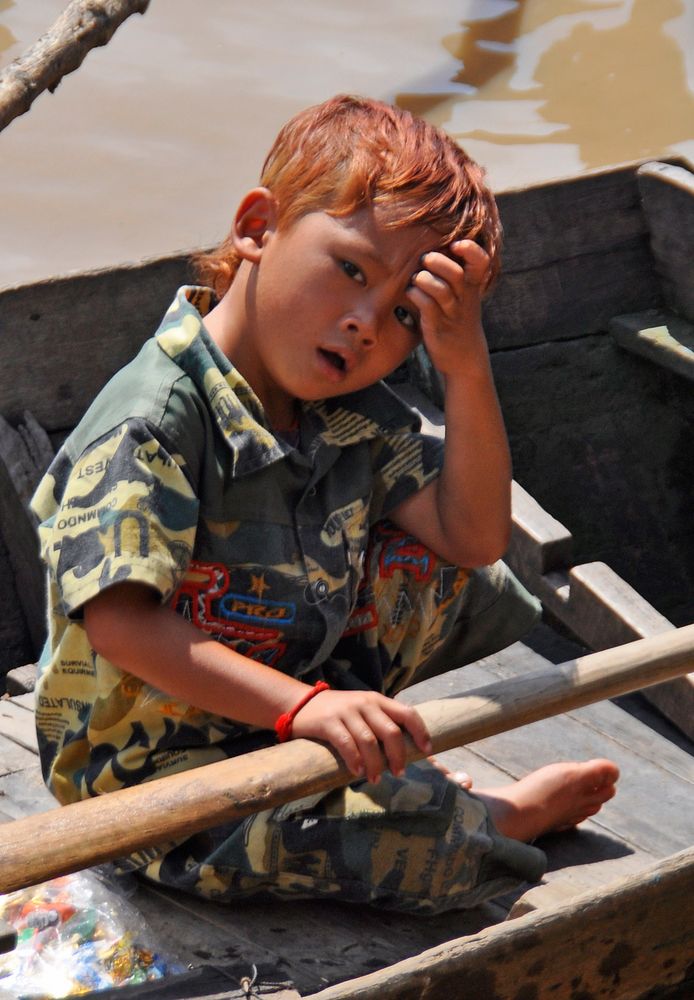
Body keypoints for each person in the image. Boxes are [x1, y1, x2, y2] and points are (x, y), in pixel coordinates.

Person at [32, 95, 618, 913]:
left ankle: (354, 752)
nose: (363, 324)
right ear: (258, 228)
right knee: (418, 845)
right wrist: (305, 707)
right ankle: (490, 817)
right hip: (152, 777)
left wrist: (466, 365)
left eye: (404, 317)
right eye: (350, 270)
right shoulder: (154, 419)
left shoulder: (349, 404)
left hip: (274, 686)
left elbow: (475, 536)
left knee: (443, 570)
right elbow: (121, 624)